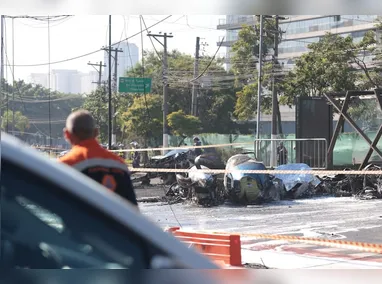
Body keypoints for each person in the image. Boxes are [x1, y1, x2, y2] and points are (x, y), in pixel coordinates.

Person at [58, 110, 138, 206]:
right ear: (96, 132)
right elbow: (132, 209)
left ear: (67, 134)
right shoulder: (119, 164)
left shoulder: (65, 166)